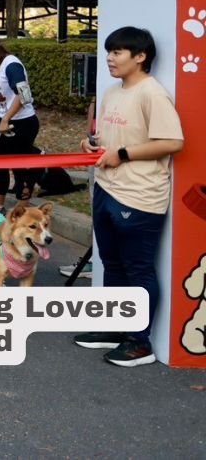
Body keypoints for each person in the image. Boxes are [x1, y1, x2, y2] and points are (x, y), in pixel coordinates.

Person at [75, 26, 183, 367]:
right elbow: (107, 138)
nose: (109, 58)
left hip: (140, 196)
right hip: (106, 189)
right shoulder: (111, 92)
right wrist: (91, 144)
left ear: (140, 57)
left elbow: (172, 142)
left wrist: (122, 154)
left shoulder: (152, 93)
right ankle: (114, 328)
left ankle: (140, 343)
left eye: (118, 52)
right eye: (109, 51)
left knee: (138, 269)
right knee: (112, 264)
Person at [0, 34, 43, 200]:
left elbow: (24, 95)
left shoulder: (12, 65)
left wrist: (6, 119)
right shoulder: (4, 65)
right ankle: (1, 205)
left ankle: (20, 205)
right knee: (3, 163)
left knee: (15, 165)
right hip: (9, 120)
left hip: (20, 123)